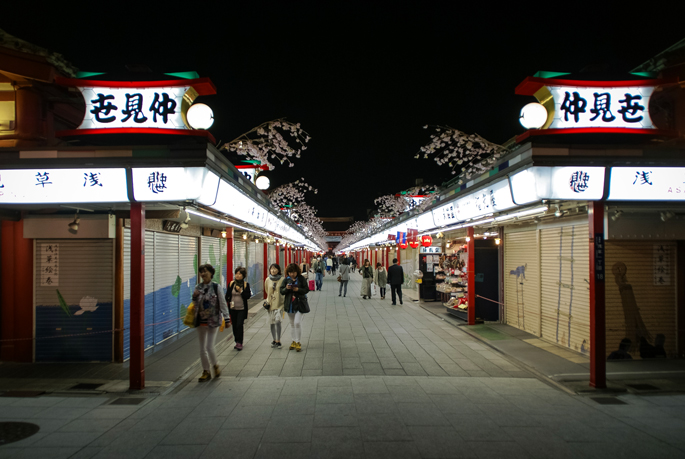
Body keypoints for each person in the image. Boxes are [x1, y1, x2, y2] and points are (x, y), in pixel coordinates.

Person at [192, 264, 229, 382]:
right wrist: (194, 297)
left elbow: (222, 303)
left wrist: (227, 318)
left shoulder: (216, 287)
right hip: (200, 320)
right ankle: (206, 371)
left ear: (211, 273)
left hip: (213, 320)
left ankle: (215, 365)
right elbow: (195, 303)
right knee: (202, 348)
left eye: (205, 271)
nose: (203, 274)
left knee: (209, 346)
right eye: (201, 272)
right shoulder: (198, 287)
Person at [280, 263, 310, 352]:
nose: (292, 274)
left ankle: (298, 341)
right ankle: (293, 341)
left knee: (297, 322)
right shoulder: (286, 280)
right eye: (290, 272)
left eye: (293, 272)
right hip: (290, 304)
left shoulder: (301, 279)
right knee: (292, 324)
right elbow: (281, 291)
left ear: (297, 272)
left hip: (299, 303)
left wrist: (298, 290)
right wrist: (286, 288)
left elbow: (306, 289)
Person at [226, 267, 252, 351]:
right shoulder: (231, 284)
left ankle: (240, 342)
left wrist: (241, 291)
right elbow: (227, 296)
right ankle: (236, 340)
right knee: (234, 325)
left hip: (242, 308)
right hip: (233, 308)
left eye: (240, 274)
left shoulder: (245, 285)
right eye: (236, 273)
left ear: (243, 275)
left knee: (239, 325)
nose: (238, 275)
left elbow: (247, 296)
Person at [264, 263, 285, 349]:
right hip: (270, 304)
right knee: (271, 322)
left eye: (275, 269)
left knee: (277, 321)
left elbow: (283, 290)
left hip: (280, 303)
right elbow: (266, 290)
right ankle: (274, 339)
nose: (273, 270)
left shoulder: (282, 279)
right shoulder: (267, 280)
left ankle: (278, 340)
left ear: (278, 270)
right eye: (271, 269)